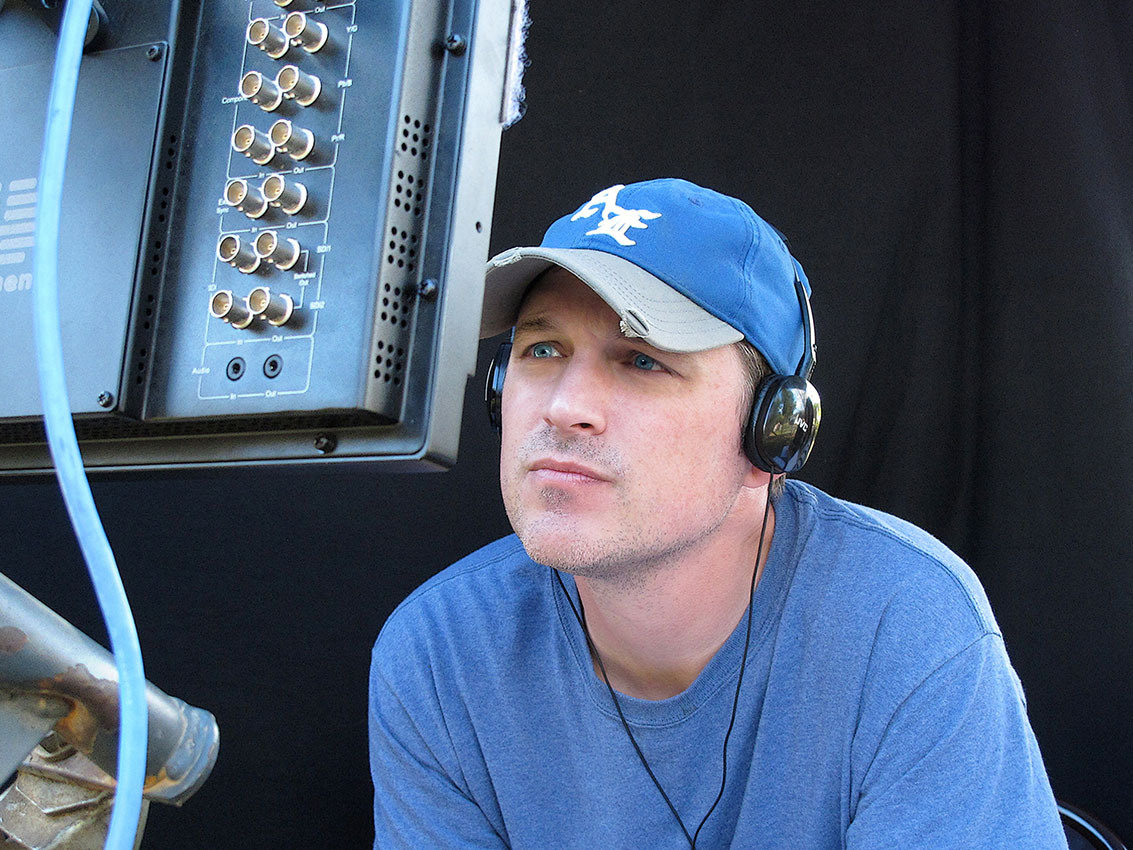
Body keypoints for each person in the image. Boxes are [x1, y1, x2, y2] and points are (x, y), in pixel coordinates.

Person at [369, 179, 1066, 848]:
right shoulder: (440, 654)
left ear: (773, 433)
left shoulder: (902, 623)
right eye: (541, 350)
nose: (561, 407)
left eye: (642, 361)